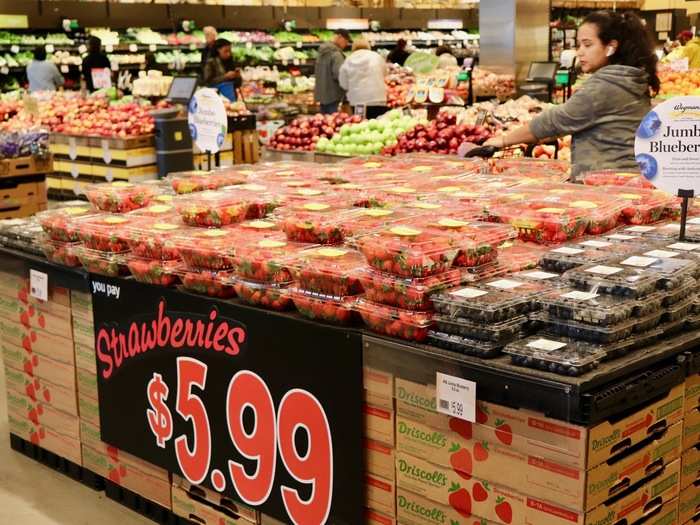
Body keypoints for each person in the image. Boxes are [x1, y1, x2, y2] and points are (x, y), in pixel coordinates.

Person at [483, 10, 659, 181]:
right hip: (627, 178)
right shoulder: (630, 78)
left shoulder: (606, 85)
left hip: (605, 182)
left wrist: (503, 140)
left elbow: (555, 121)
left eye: (588, 45)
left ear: (611, 47)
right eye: (579, 44)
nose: (580, 52)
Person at [339, 39, 387, 119]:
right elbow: (385, 74)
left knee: (361, 125)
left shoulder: (348, 60)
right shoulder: (377, 57)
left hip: (358, 101)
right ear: (368, 47)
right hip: (378, 99)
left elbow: (343, 83)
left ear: (353, 48)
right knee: (378, 126)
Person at [314, 29, 351, 115]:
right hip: (333, 95)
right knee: (333, 121)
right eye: (346, 41)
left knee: (324, 120)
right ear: (340, 37)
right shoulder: (336, 54)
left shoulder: (321, 52)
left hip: (322, 94)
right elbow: (339, 75)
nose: (346, 44)